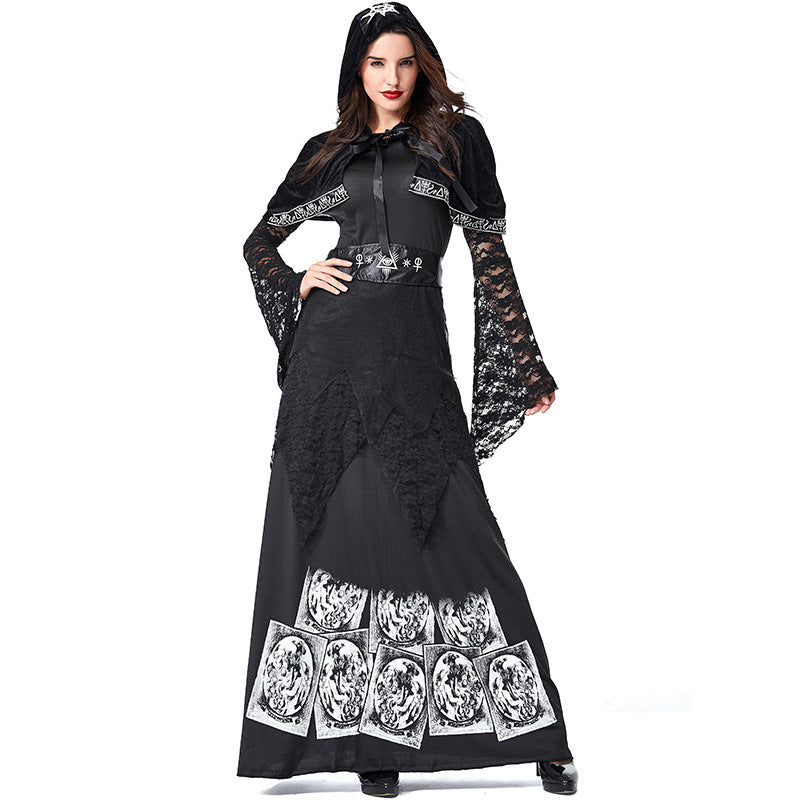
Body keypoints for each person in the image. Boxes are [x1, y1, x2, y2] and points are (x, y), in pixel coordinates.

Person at [236, 3, 578, 796]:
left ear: (422, 66)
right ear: (356, 71)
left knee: (462, 534)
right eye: (375, 63)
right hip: (329, 367)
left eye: (404, 62)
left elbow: (489, 254)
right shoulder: (328, 154)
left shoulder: (456, 142)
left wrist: (525, 361)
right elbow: (258, 242)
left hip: (414, 359)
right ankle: (372, 744)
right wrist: (298, 280)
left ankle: (541, 735)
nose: (391, 78)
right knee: (343, 535)